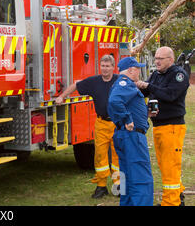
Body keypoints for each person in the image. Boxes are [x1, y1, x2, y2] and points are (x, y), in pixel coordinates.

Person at [56, 54, 120, 199]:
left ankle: (118, 185)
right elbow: (76, 84)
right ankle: (101, 186)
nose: (105, 69)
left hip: (118, 124)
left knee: (118, 156)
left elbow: (133, 89)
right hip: (102, 124)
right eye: (102, 66)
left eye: (108, 66)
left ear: (113, 67)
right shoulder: (94, 82)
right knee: (100, 156)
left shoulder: (119, 80)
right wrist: (62, 96)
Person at [136, 46, 190, 206]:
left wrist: (148, 86)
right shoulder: (156, 75)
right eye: (156, 58)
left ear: (171, 60)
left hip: (172, 126)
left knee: (170, 165)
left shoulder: (178, 75)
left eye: (160, 58)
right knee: (164, 164)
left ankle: (171, 202)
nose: (157, 61)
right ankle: (177, 194)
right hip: (159, 126)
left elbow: (170, 95)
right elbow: (146, 91)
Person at [108, 56, 154, 206]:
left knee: (127, 176)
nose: (139, 71)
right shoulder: (125, 83)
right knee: (140, 177)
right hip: (132, 137)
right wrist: (128, 119)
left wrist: (144, 114)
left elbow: (123, 104)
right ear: (131, 70)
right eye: (138, 68)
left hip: (125, 135)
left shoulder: (122, 84)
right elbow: (115, 101)